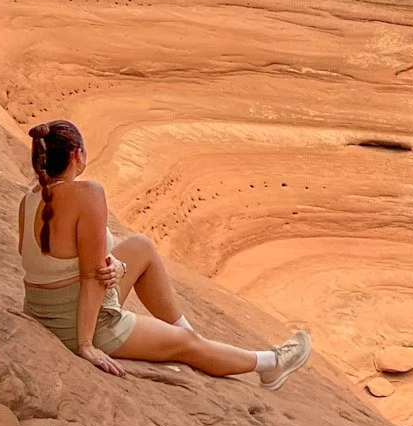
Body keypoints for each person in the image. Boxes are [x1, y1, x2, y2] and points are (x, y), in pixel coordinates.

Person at [20, 119, 310, 385]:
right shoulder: (88, 193)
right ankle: (269, 364)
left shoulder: (28, 200)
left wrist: (116, 267)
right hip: (82, 325)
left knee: (141, 246)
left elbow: (53, 263)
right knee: (187, 345)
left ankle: (188, 334)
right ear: (76, 155)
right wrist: (86, 346)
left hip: (45, 310)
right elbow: (91, 277)